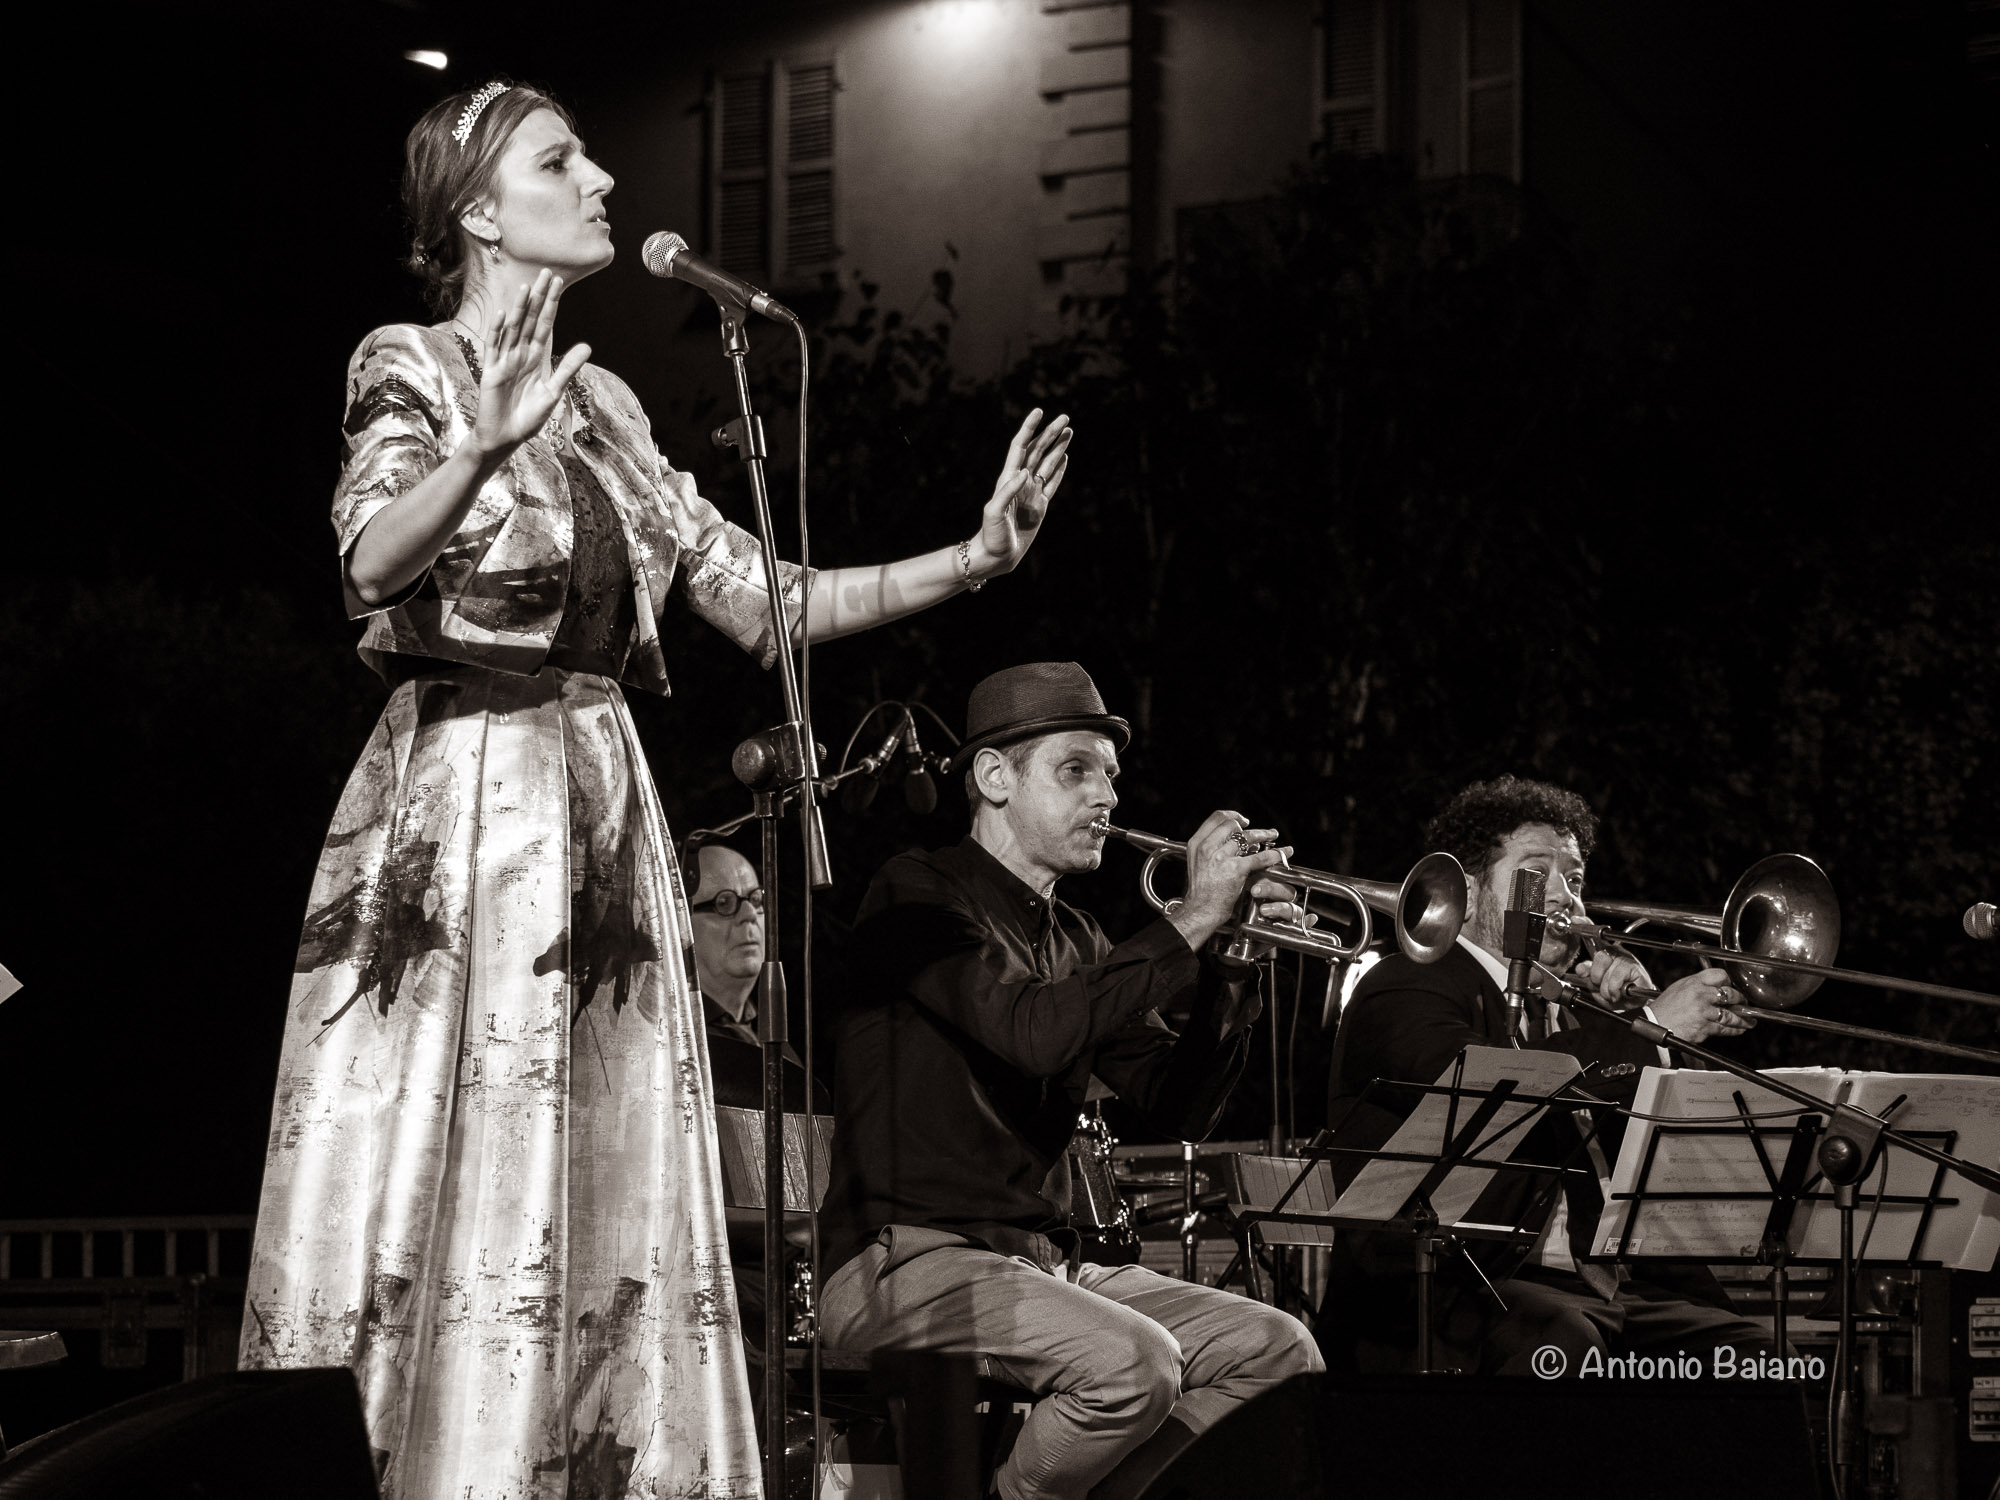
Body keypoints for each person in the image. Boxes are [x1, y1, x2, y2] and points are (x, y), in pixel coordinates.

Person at [239, 78, 1072, 1499]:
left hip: (593, 792)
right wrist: (481, 450)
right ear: (482, 210)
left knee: (590, 1161)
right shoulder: (415, 361)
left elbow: (763, 598)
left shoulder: (610, 406)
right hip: (463, 794)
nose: (606, 178)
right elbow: (369, 559)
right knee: (454, 1150)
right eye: (565, 161)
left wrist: (969, 563)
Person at [819, 662, 1325, 1500]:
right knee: (1134, 1364)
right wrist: (1191, 918)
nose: (1108, 798)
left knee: (1281, 1355)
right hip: (903, 1262)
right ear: (992, 777)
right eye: (1075, 769)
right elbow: (1033, 1033)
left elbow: (1178, 1104)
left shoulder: (1083, 939)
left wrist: (1233, 965)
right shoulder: (913, 896)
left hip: (1046, 1266)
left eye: (1111, 777)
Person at [1318, 774, 1777, 1377]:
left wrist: (1648, 1032)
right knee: (1562, 1346)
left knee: (1763, 1363)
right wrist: (1644, 1024)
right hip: (1459, 1286)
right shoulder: (1406, 983)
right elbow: (1484, 1082)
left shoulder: (1574, 1009)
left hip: (1604, 1290)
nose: (1566, 898)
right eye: (1537, 873)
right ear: (1470, 890)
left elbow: (1666, 1155)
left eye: (1577, 880)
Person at [684, 839, 828, 1416]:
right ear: (679, 922)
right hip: (726, 1289)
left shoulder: (782, 1047)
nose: (747, 916)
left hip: (802, 1279)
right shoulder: (671, 1048)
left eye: (756, 900)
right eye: (721, 903)